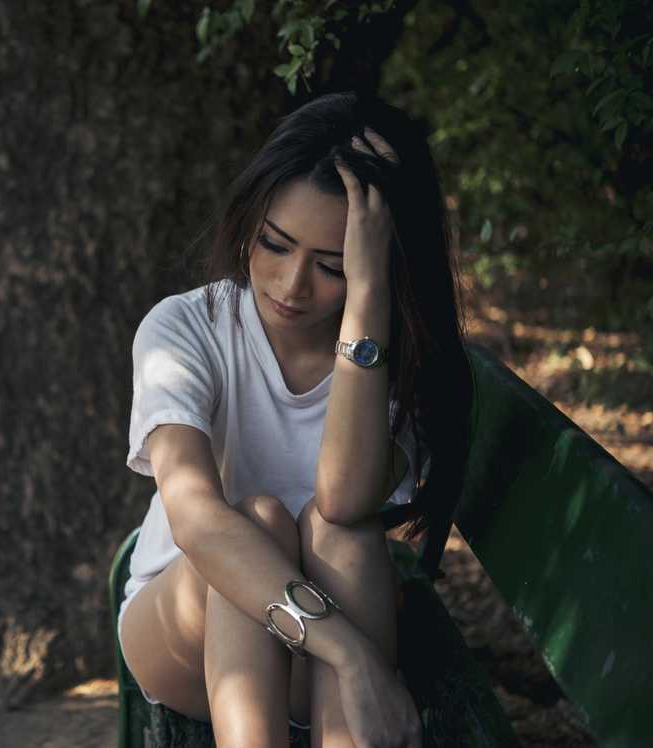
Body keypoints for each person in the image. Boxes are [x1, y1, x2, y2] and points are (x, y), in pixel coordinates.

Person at [117, 91, 472, 748]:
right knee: (255, 523)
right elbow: (195, 517)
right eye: (275, 245)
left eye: (333, 266)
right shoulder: (186, 327)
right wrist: (350, 653)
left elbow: (344, 496)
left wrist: (366, 304)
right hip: (183, 632)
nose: (290, 285)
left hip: (320, 642)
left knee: (343, 531)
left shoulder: (401, 361)